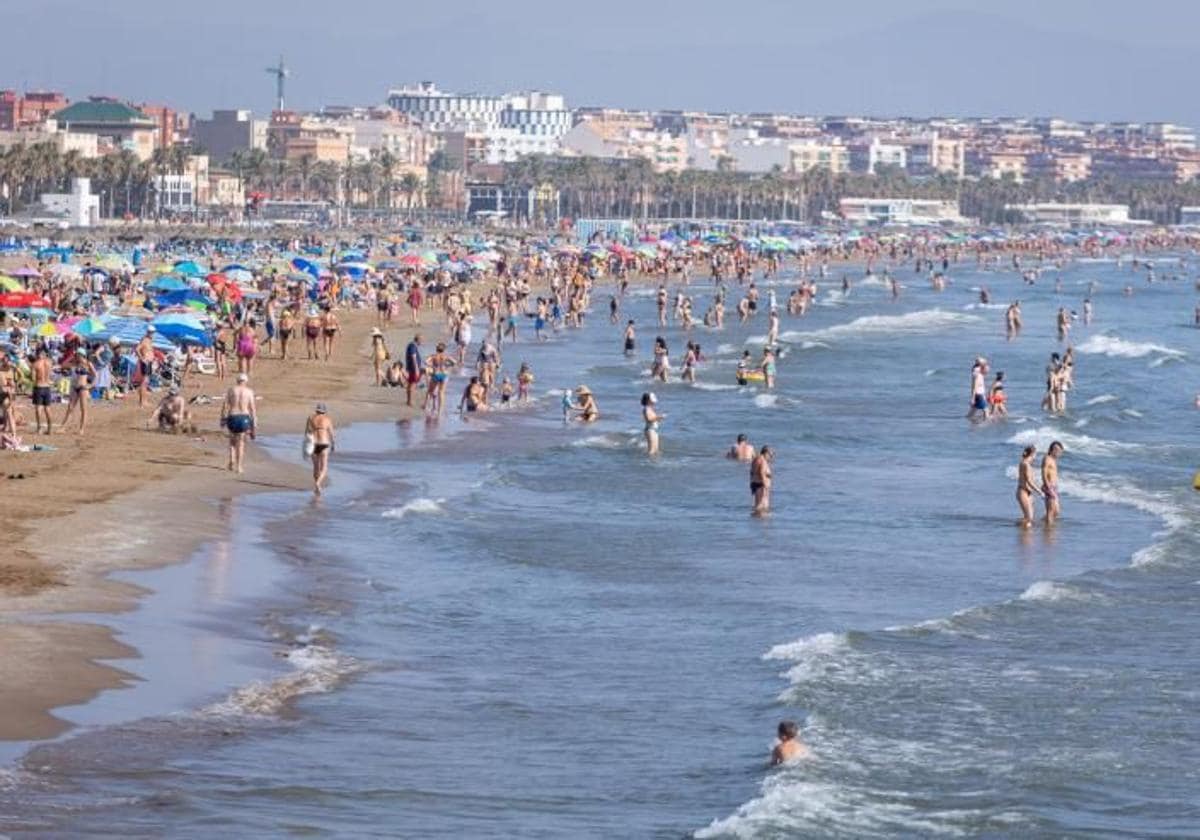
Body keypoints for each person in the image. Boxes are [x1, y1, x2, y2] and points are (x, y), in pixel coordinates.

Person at [220, 372, 257, 474]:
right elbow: (253, 410)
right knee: (241, 443)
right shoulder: (249, 392)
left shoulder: (231, 390)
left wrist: (222, 419)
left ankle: (231, 460)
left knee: (232, 441)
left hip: (232, 416)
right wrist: (254, 427)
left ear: (237, 381)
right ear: (246, 381)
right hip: (244, 418)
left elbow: (225, 406)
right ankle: (239, 466)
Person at [61, 354, 95, 434]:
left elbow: (95, 375)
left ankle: (81, 429)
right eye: (76, 356)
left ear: (82, 355)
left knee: (83, 409)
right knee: (70, 407)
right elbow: (63, 364)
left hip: (83, 388)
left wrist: (90, 385)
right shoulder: (76, 364)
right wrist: (71, 357)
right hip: (75, 387)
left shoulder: (88, 364)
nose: (77, 357)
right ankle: (63, 427)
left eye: (78, 356)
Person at [305, 403, 335, 495]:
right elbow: (332, 434)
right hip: (323, 442)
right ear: (324, 411)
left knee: (316, 467)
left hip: (313, 443)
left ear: (316, 410)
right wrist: (333, 444)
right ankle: (318, 483)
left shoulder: (310, 418)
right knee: (324, 467)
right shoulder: (327, 419)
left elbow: (307, 432)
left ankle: (316, 485)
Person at [1016, 444, 1043, 529]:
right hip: (1023, 491)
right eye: (1035, 454)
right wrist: (1039, 491)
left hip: (1028, 492)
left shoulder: (1026, 463)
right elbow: (1029, 481)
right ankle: (1019, 529)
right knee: (1029, 517)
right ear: (1032, 454)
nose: (1036, 456)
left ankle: (1025, 533)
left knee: (1028, 517)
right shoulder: (1025, 464)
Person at [30, 348, 53, 434]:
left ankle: (39, 428)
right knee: (48, 409)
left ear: (37, 354)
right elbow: (50, 374)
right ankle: (49, 429)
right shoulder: (49, 362)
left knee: (38, 408)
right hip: (47, 387)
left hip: (39, 387)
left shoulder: (35, 364)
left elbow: (33, 378)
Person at [1041, 440, 1064, 525]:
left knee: (1056, 511)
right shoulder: (1047, 459)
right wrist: (1048, 487)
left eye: (1060, 450)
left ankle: (1043, 522)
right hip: (1049, 487)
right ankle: (1048, 530)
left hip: (1054, 487)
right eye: (1056, 450)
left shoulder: (1053, 460)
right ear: (1051, 449)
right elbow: (1043, 473)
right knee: (1051, 511)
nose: (1058, 452)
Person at [135, 327, 156, 407]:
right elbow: (137, 349)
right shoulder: (144, 340)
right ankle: (142, 402)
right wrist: (142, 358)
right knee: (144, 382)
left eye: (153, 332)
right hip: (146, 362)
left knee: (146, 382)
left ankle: (145, 401)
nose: (152, 333)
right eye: (151, 332)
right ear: (147, 332)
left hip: (149, 362)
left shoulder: (149, 340)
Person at [750, 445, 773, 516]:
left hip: (755, 483)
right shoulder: (762, 460)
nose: (771, 457)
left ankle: (757, 519)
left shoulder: (756, 459)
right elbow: (761, 472)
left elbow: (751, 472)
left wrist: (751, 481)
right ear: (766, 452)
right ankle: (760, 521)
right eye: (770, 455)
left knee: (758, 503)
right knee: (762, 504)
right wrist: (765, 483)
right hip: (761, 484)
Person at [641, 392, 664, 456]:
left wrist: (659, 419)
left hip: (654, 429)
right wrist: (658, 417)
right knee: (651, 450)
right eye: (652, 400)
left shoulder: (650, 409)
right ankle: (647, 463)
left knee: (656, 449)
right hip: (650, 430)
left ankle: (655, 463)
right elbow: (649, 419)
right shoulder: (646, 409)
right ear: (648, 400)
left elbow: (653, 419)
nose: (654, 402)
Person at [404, 333, 423, 407]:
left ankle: (409, 400)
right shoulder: (413, 346)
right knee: (413, 384)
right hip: (413, 368)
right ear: (418, 340)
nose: (422, 342)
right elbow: (413, 357)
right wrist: (417, 369)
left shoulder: (412, 345)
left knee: (410, 383)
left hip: (412, 368)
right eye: (421, 340)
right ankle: (410, 401)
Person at [967, 357, 988, 422]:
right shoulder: (977, 375)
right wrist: (972, 398)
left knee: (973, 411)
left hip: (979, 394)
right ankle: (987, 423)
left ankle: (967, 422)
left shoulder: (979, 374)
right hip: (978, 394)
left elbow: (986, 365)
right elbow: (975, 386)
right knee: (986, 410)